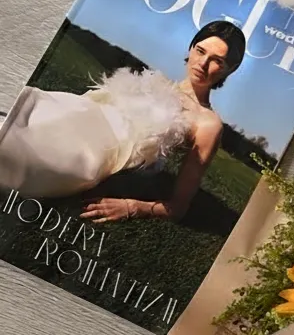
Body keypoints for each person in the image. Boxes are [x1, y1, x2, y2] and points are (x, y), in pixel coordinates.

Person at [0, 21, 246, 225]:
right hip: (74, 114)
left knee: (17, 148)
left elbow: (178, 207)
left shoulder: (208, 123)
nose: (203, 63)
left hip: (90, 154)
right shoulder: (156, 83)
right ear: (191, 48)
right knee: (27, 108)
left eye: (217, 61)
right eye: (200, 51)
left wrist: (132, 206)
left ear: (230, 69)